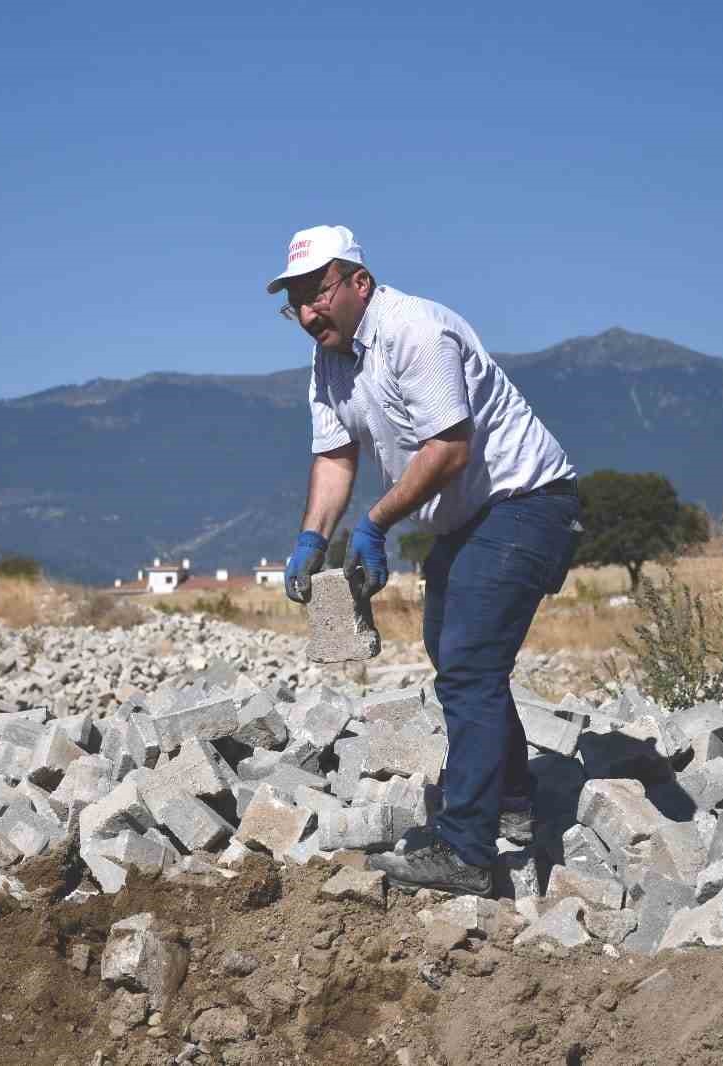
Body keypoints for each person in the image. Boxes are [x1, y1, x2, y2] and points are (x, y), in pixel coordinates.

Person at [272, 225, 582, 895]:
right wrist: (310, 538)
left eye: (316, 294)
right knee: (456, 654)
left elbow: (448, 451)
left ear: (359, 281)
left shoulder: (418, 331)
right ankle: (516, 799)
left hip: (525, 503)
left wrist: (375, 524)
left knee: (470, 665)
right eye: (294, 301)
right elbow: (334, 455)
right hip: (471, 517)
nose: (306, 313)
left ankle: (467, 850)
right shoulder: (333, 359)